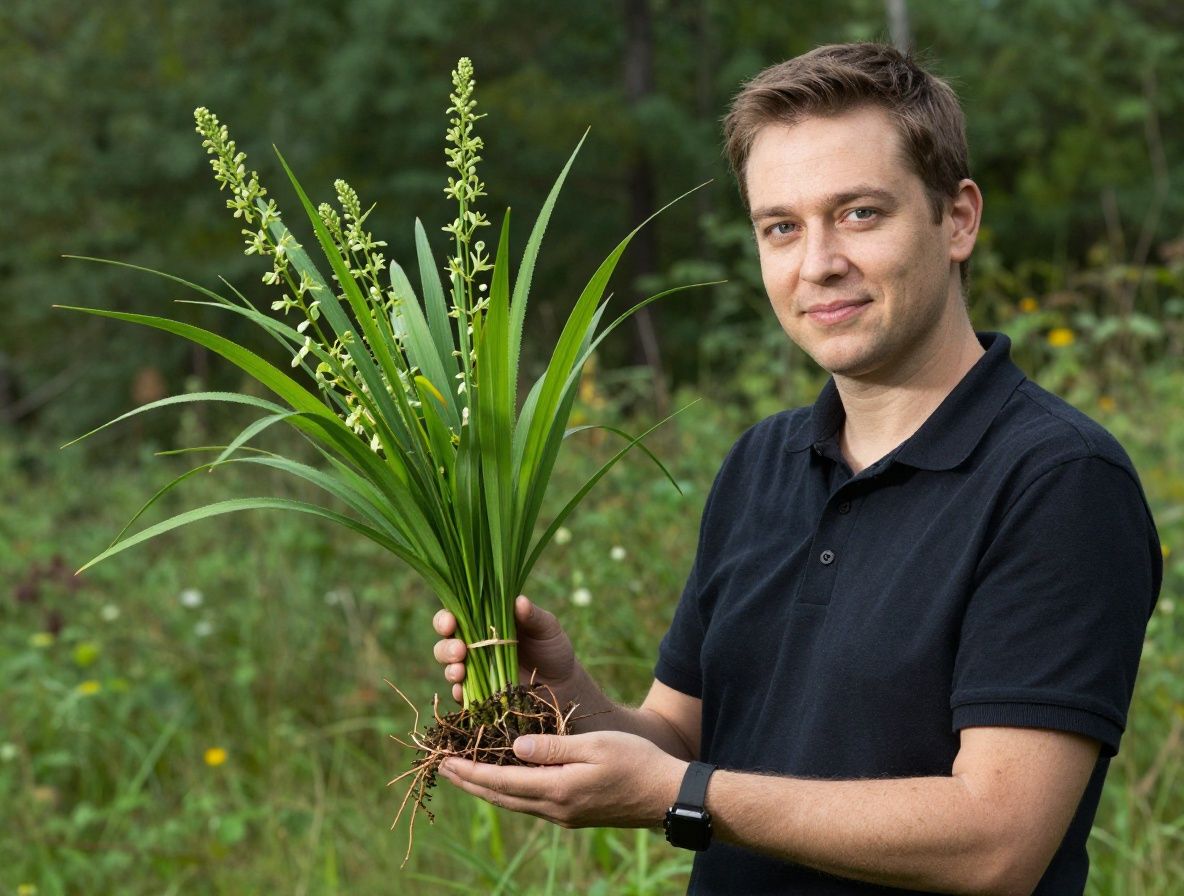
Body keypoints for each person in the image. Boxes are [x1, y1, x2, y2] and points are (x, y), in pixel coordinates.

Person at [432, 42, 1161, 894]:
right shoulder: (760, 463)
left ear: (957, 219)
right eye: (781, 226)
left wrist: (678, 798)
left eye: (858, 214)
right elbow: (680, 739)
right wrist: (566, 696)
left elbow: (997, 841)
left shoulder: (1059, 481)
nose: (817, 263)